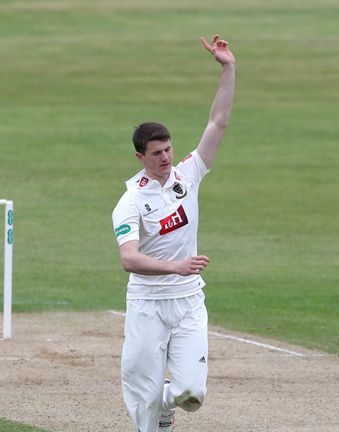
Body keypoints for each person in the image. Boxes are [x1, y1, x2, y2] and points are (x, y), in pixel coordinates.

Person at [111, 34, 235, 431]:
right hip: (147, 305)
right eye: (157, 153)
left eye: (168, 150)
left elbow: (218, 122)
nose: (165, 158)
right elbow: (128, 258)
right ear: (140, 156)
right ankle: (154, 412)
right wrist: (176, 266)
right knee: (142, 401)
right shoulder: (130, 201)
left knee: (190, 395)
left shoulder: (188, 175)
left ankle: (166, 403)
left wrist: (228, 68)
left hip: (187, 303)